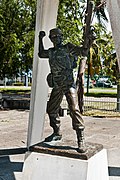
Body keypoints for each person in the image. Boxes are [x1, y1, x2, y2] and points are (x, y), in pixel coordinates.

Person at [38, 28, 92, 153]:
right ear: (51, 39)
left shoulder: (68, 47)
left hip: (68, 84)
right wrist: (40, 39)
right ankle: (56, 132)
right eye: (53, 37)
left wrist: (89, 41)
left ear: (62, 36)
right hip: (57, 85)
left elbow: (83, 52)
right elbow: (41, 54)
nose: (56, 39)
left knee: (74, 109)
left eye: (58, 36)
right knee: (51, 109)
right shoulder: (51, 52)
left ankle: (81, 138)